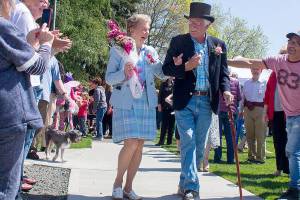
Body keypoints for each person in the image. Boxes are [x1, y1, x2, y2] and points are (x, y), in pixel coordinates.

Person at [162, 2, 233, 199]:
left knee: (199, 147)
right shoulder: (178, 42)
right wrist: (186, 66)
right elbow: (166, 68)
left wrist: (226, 91)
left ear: (207, 25)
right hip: (185, 101)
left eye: (197, 22)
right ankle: (193, 187)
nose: (192, 25)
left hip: (206, 102)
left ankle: (184, 182)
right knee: (188, 142)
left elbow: (224, 74)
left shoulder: (219, 45)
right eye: (190, 22)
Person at [228, 30, 300, 200]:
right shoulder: (278, 61)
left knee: (292, 151)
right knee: (292, 151)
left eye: (296, 43)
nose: (291, 46)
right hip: (289, 116)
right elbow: (251, 62)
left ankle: (295, 190)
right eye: (290, 42)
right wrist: (226, 60)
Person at [105, 14, 165, 200]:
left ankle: (128, 188)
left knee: (139, 146)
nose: (146, 32)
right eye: (143, 28)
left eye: (148, 29)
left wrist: (174, 66)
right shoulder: (118, 50)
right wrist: (123, 72)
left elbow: (161, 74)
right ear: (132, 29)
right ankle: (117, 183)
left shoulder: (150, 51)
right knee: (130, 143)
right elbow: (109, 78)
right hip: (126, 101)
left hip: (146, 103)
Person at [0, 0, 54, 198]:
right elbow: (37, 66)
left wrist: (29, 45)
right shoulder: (4, 26)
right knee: (6, 186)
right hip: (9, 114)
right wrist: (46, 44)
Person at [264, 71, 289, 176]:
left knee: (289, 143)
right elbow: (267, 93)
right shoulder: (273, 74)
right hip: (274, 114)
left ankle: (289, 170)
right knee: (277, 142)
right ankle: (279, 168)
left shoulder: (291, 72)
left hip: (288, 113)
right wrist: (265, 112)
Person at [214, 72, 241, 164]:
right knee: (230, 136)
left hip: (218, 110)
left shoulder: (217, 80)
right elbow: (239, 97)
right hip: (231, 111)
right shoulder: (236, 82)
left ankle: (217, 157)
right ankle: (230, 159)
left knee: (218, 136)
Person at [156, 77, 175, 146]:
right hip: (164, 107)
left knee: (171, 126)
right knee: (164, 125)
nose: (171, 77)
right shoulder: (163, 84)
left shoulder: (175, 84)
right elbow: (160, 95)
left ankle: (169, 142)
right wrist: (159, 104)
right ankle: (161, 141)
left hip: (173, 108)